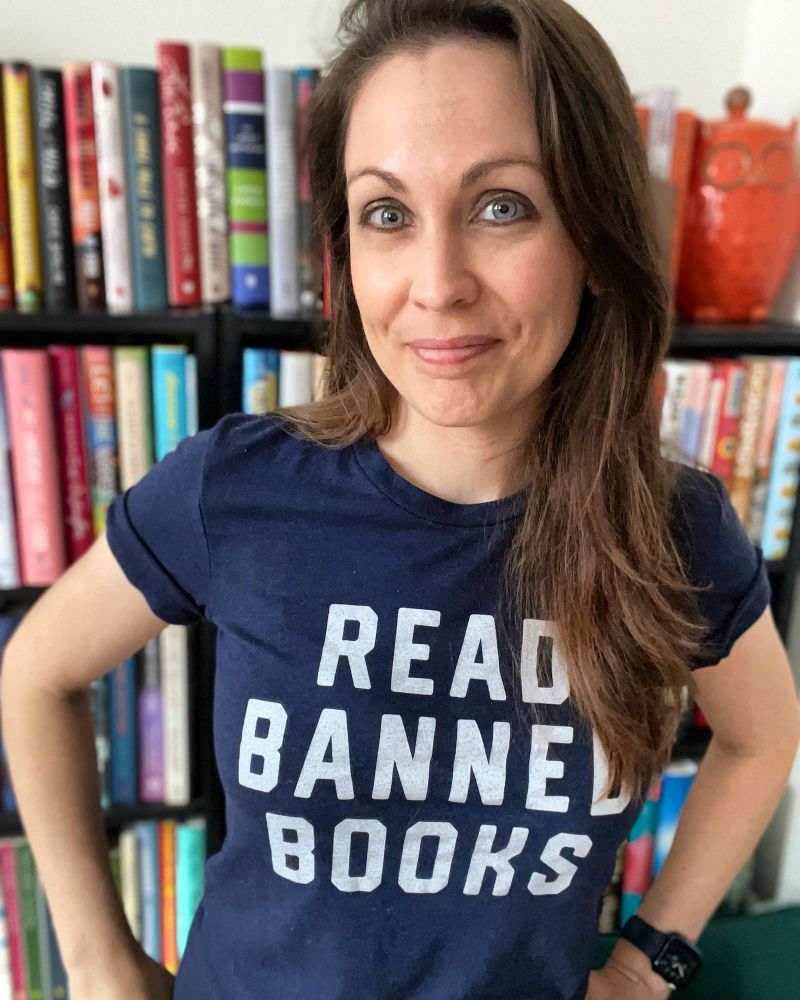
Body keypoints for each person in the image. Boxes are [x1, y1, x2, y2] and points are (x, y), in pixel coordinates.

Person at [2, 0, 799, 998]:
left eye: (501, 205)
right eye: (387, 214)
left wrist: (647, 966)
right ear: (346, 252)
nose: (436, 284)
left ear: (593, 239)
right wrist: (96, 962)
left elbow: (761, 736)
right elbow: (36, 672)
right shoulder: (235, 486)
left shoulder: (673, 529)